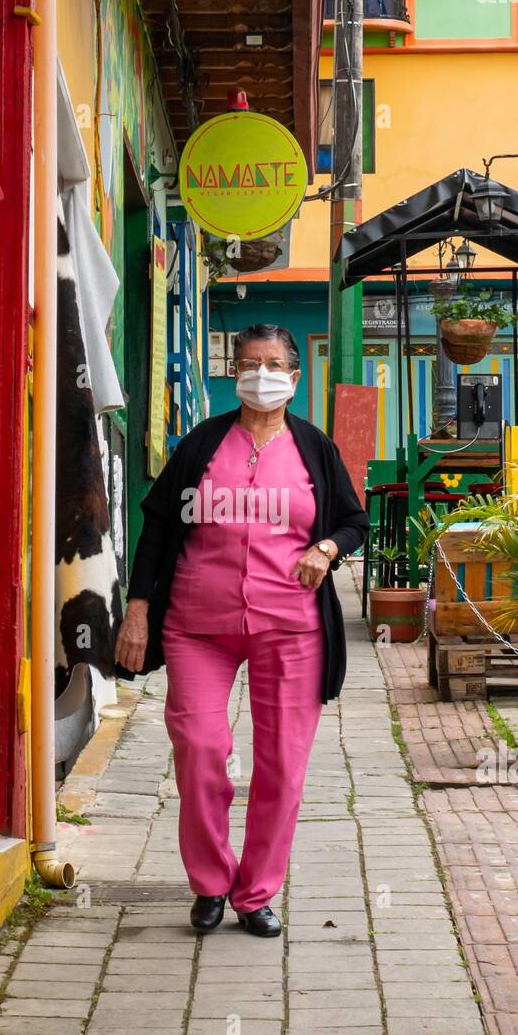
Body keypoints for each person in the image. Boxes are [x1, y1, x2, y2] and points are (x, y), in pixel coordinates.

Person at [114, 324, 369, 937]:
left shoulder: (314, 448)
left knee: (282, 763)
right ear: (235, 372)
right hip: (198, 624)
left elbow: (355, 520)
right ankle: (209, 883)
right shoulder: (202, 444)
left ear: (295, 375)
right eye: (251, 363)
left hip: (291, 625)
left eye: (275, 363)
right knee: (200, 748)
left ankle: (256, 892)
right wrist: (139, 609)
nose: (263, 374)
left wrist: (328, 548)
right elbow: (156, 529)